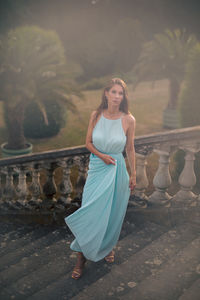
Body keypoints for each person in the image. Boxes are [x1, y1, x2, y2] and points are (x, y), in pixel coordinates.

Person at [64, 78, 136, 279]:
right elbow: (87, 142)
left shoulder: (129, 119)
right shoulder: (96, 115)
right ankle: (81, 257)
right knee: (90, 211)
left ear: (124, 96)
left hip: (118, 171)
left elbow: (129, 148)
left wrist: (134, 174)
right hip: (98, 168)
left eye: (120, 93)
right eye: (113, 92)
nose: (117, 96)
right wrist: (102, 156)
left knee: (113, 212)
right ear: (106, 93)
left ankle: (107, 247)